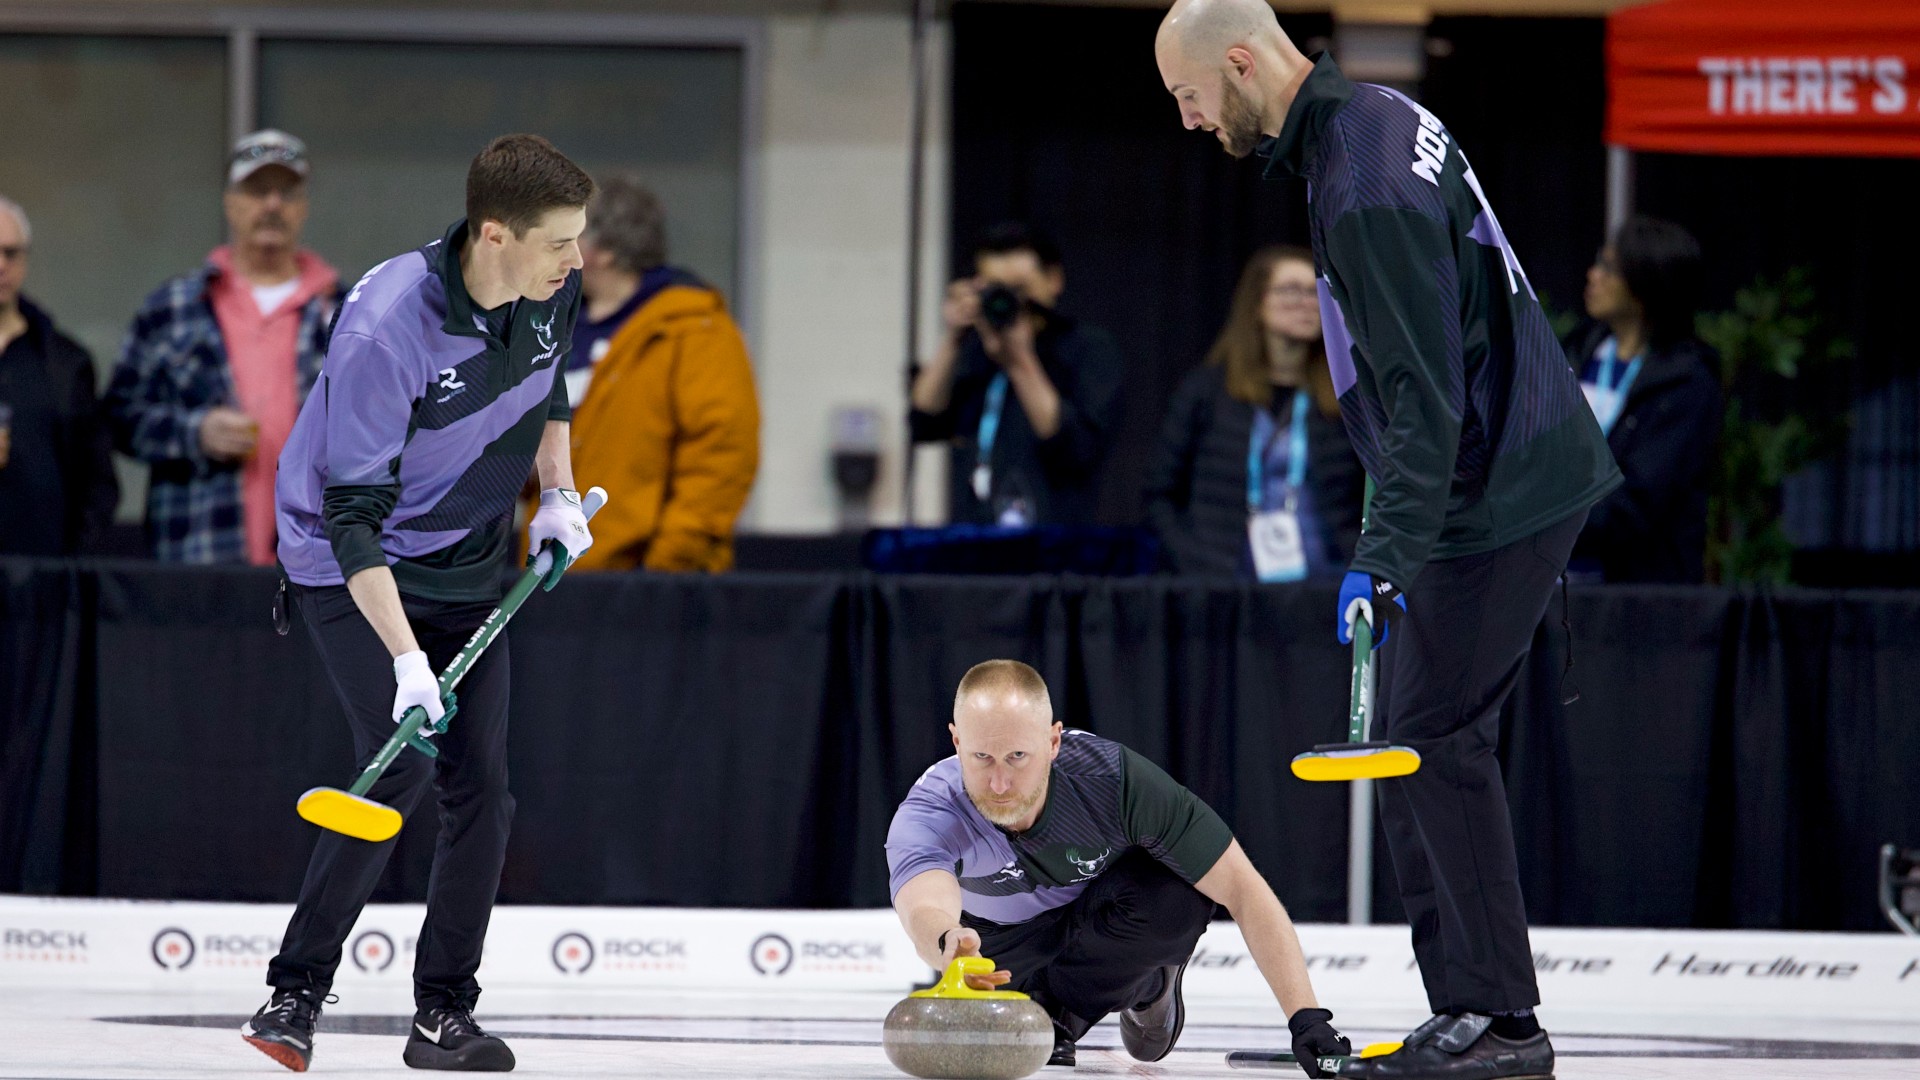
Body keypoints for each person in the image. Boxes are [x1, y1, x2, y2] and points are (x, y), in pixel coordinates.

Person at [1155, 3, 1621, 1078]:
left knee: (1433, 737)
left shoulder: (1361, 179)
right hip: (1499, 471)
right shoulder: (1369, 120)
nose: (1188, 121)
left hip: (1500, 486)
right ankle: (1473, 1013)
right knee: (1423, 736)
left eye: (1188, 96)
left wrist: (1383, 552)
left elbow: (1426, 391)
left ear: (1238, 63)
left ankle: (1499, 1024)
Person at [242, 134, 596, 1074]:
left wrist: (557, 494)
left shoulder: (550, 286)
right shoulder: (385, 329)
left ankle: (443, 1013)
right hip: (349, 560)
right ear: (495, 234)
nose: (577, 260)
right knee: (397, 764)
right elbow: (351, 517)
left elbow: (548, 379)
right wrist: (406, 660)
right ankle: (294, 993)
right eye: (560, 241)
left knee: (483, 791)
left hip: (468, 554)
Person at [886, 660, 1352, 1073]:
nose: (1000, 783)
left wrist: (1306, 1018)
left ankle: (1108, 997)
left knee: (1179, 895)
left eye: (1018, 757)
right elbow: (923, 905)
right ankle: (1085, 994)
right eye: (982, 757)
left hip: (1101, 919)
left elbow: (1243, 889)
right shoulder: (932, 809)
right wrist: (949, 943)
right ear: (956, 741)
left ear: (1053, 741)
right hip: (999, 946)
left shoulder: (1112, 780)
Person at [104, 130, 341, 565]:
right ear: (230, 203)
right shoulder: (174, 308)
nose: (272, 205)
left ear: (304, 207)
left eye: (287, 193)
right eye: (257, 191)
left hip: (323, 557)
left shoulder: (348, 313)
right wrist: (195, 432)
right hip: (200, 554)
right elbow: (117, 417)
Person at [557, 172, 759, 572]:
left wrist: (670, 565)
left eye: (566, 235)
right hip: (555, 574)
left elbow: (721, 455)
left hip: (650, 580)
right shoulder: (560, 329)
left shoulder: (694, 329)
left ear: (603, 249)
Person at [1144, 245, 1364, 578]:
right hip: (1223, 585)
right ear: (1257, 303)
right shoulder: (1207, 390)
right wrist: (1194, 564)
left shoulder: (1347, 395)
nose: (1306, 302)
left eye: (1315, 292)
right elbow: (1159, 494)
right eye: (1291, 290)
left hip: (1324, 585)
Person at [910, 223, 1123, 528]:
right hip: (975, 535)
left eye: (1020, 290)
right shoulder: (977, 351)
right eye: (996, 289)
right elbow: (924, 420)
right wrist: (953, 337)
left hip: (1056, 538)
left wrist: (1020, 361)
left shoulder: (1089, 349)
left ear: (1054, 280)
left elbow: (1076, 450)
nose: (1011, 303)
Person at [1568, 216, 1722, 583]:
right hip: (1559, 581)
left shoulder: (1686, 381)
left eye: (1609, 268)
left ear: (1645, 284)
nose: (1593, 275)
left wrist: (1542, 522)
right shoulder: (1577, 351)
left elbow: (1640, 501)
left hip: (1638, 592)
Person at [0, 194, 117, 556]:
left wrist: (73, 570)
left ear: (25, 260)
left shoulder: (65, 363)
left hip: (43, 574)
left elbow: (96, 482)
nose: (1, 264)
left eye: (10, 253)